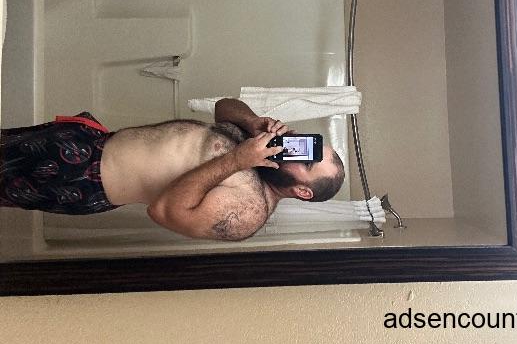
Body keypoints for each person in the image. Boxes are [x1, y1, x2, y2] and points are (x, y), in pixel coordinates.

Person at [0, 99, 345, 241]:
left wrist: (237, 161)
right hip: (90, 139)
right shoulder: (259, 142)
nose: (297, 148)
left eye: (308, 161)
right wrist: (253, 121)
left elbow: (164, 211)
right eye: (309, 145)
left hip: (81, 176)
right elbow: (223, 107)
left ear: (303, 191)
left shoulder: (250, 211)